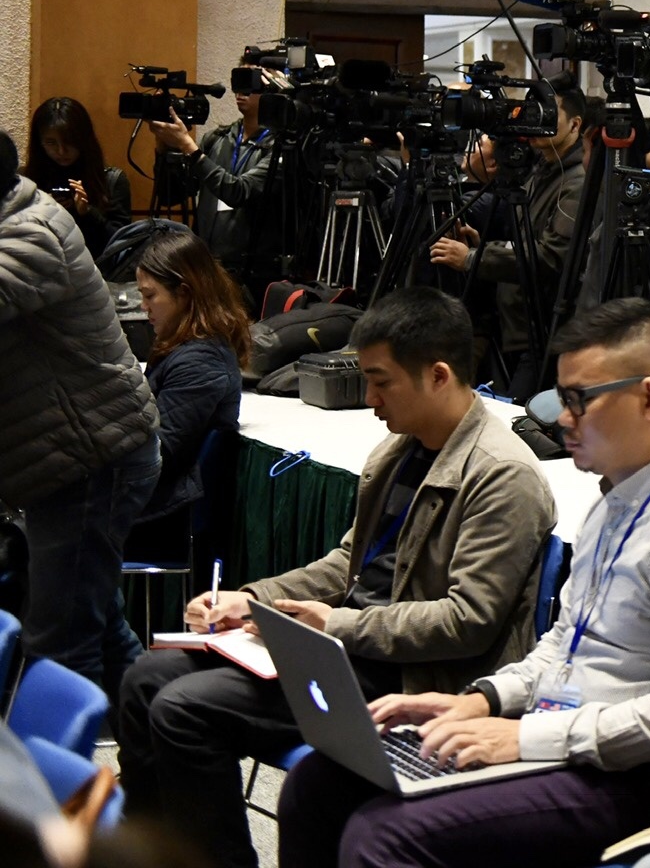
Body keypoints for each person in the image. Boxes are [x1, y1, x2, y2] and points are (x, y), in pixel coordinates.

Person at [280, 298, 650, 868]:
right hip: (559, 745)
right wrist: (482, 700)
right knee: (319, 782)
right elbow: (560, 649)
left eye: (579, 400)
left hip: (636, 779)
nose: (563, 418)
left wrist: (520, 739)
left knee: (384, 835)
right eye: (563, 399)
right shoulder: (615, 504)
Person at [116, 289, 556, 868]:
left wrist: (337, 625)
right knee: (145, 677)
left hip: (410, 677)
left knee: (184, 709)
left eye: (380, 381)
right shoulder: (400, 450)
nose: (368, 399)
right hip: (347, 649)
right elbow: (346, 563)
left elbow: (468, 622)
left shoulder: (502, 476)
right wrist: (252, 599)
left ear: (439, 375)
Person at [0, 127, 160, 694]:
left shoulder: (30, 235)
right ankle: (167, 738)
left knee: (59, 640)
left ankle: (58, 782)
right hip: (70, 456)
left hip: (92, 456)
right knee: (97, 621)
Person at [430, 83, 588, 394]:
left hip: (545, 331)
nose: (538, 121)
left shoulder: (576, 183)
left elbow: (552, 258)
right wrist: (482, 246)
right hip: (514, 327)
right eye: (534, 112)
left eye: (549, 114)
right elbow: (524, 242)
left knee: (520, 422)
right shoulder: (538, 173)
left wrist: (473, 259)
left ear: (575, 124)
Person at [121, 230, 246, 562]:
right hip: (149, 500)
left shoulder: (201, 360)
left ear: (185, 294)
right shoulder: (187, 349)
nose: (143, 308)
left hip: (162, 514)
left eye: (150, 296)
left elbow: (161, 455)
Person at [148, 84, 276, 299]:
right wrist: (166, 146)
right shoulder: (217, 139)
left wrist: (189, 147)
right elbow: (173, 196)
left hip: (253, 276)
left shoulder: (278, 148)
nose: (241, 90)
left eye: (250, 82)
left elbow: (238, 192)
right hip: (207, 266)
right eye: (238, 79)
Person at [27, 96, 132, 260]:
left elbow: (122, 245)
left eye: (69, 141)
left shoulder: (111, 180)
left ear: (84, 139)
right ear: (39, 143)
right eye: (51, 142)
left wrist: (87, 212)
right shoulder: (27, 181)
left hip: (99, 273)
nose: (61, 151)